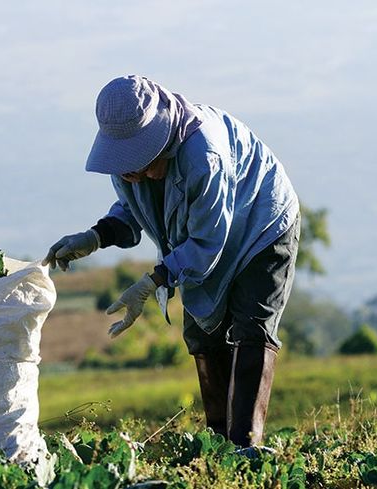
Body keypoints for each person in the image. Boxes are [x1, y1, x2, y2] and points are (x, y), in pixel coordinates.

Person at [42, 75, 300, 451]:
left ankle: (246, 447)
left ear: (161, 140)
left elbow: (208, 241)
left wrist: (155, 280)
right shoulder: (130, 166)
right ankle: (218, 446)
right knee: (201, 334)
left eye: (140, 162)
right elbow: (135, 210)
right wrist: (95, 237)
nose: (133, 173)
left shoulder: (203, 155)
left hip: (260, 224)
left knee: (250, 327)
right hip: (201, 234)